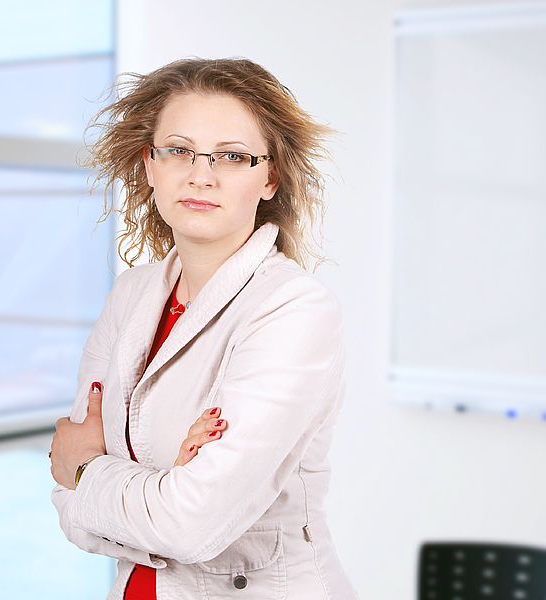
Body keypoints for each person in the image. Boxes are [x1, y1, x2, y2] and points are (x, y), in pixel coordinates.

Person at [48, 57, 358, 600]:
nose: (201, 174)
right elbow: (67, 505)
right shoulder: (132, 295)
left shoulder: (293, 309)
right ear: (149, 165)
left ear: (271, 178)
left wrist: (90, 470)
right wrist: (160, 487)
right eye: (178, 150)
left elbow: (191, 524)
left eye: (233, 156)